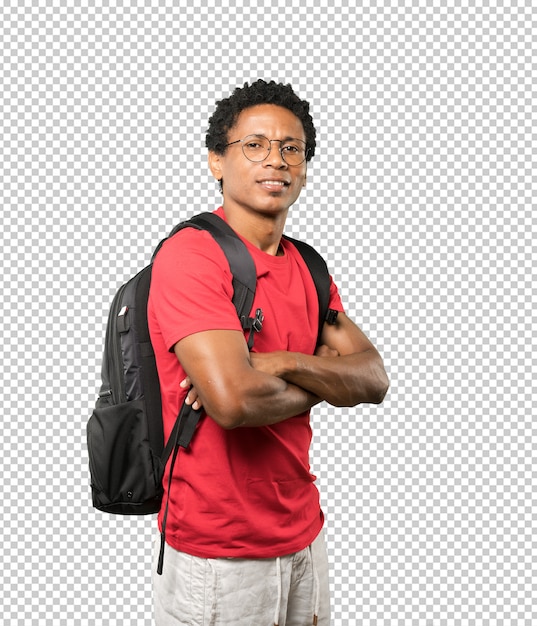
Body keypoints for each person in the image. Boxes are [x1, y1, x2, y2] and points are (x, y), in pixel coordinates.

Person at [148, 79, 389, 626]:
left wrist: (279, 363)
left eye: (291, 147)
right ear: (216, 160)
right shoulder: (192, 257)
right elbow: (233, 403)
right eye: (253, 145)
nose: (275, 160)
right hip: (218, 549)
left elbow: (373, 379)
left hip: (304, 531)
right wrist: (328, 380)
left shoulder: (309, 266)